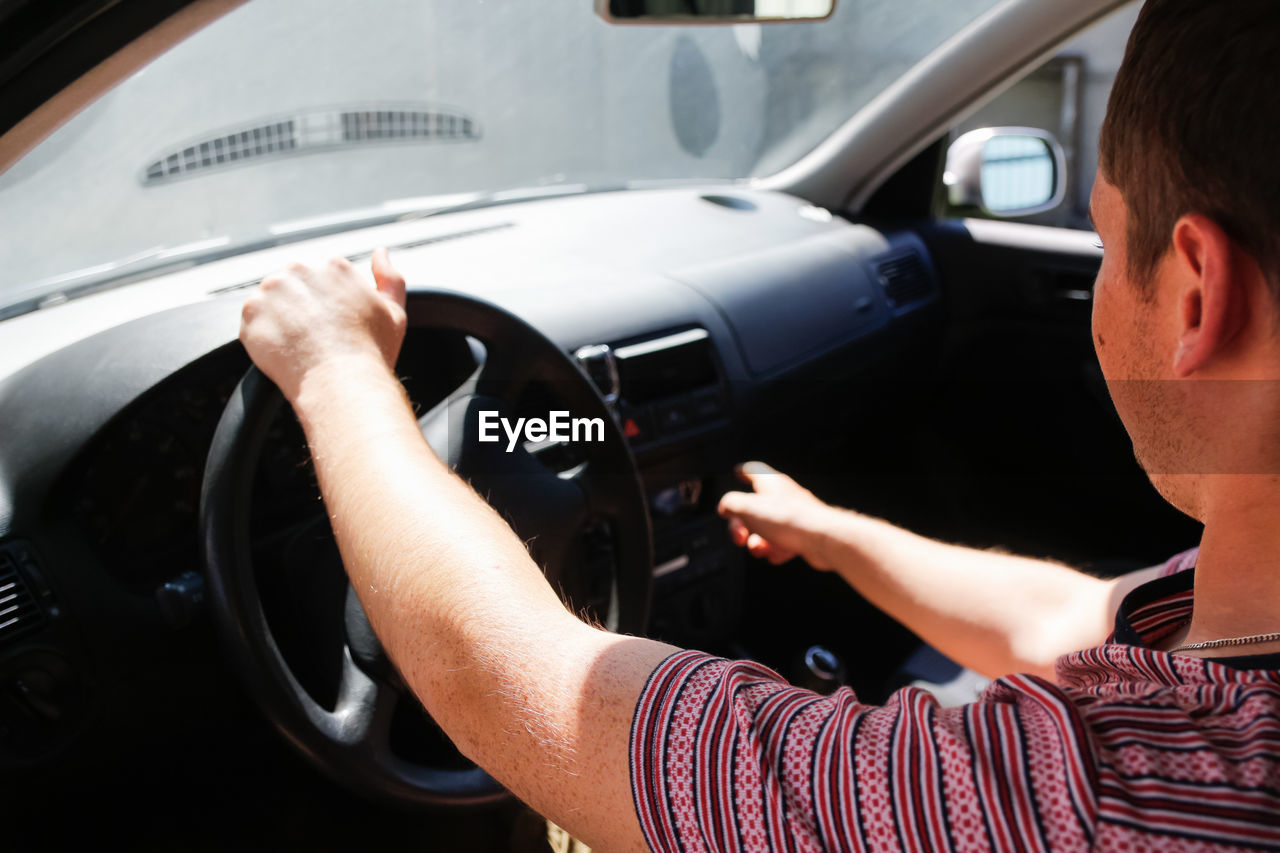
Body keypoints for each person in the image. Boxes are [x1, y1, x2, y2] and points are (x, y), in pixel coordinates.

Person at [238, 0, 1280, 848]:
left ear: (1194, 292)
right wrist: (833, 535)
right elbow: (1074, 624)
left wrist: (334, 371)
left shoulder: (1081, 804)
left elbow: (521, 689)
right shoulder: (1230, 614)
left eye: (1101, 239)